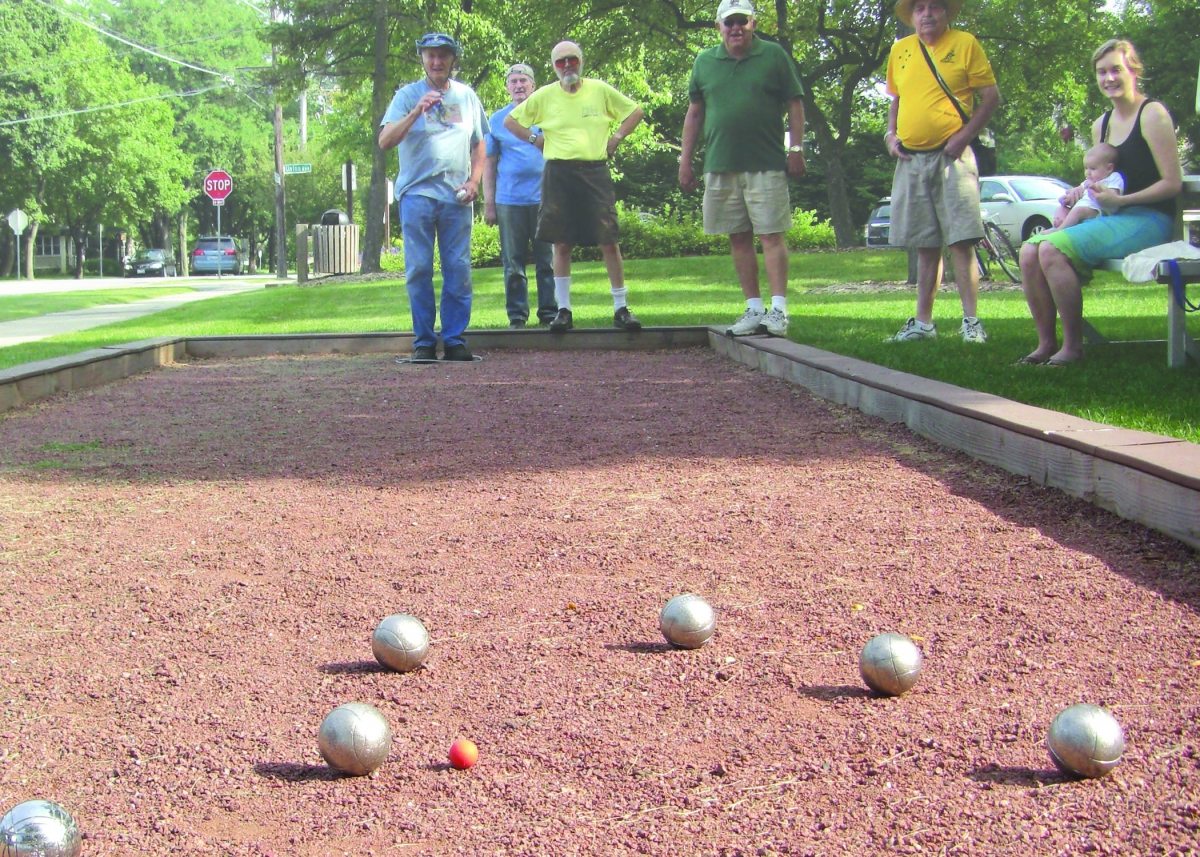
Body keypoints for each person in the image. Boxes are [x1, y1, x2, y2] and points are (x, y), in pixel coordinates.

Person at [1018, 39, 1182, 365]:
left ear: (1133, 70)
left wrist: (1123, 200)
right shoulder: (1101, 125)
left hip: (1150, 220)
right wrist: (1071, 202)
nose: (1109, 78)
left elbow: (1172, 183)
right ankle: (1045, 343)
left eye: (1116, 70)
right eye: (1102, 72)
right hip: (1110, 218)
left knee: (1051, 248)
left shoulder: (1153, 115)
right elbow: (1096, 182)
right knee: (1028, 251)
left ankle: (1073, 347)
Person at [678, 0, 807, 338]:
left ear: (753, 24)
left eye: (742, 21)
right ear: (718, 27)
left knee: (771, 234)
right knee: (737, 236)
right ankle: (753, 307)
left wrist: (796, 147)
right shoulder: (704, 62)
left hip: (765, 163)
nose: (735, 28)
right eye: (728, 22)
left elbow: (795, 103)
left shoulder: (774, 55)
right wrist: (685, 160)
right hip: (720, 164)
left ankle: (778, 309)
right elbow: (694, 113)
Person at [503, 40, 645, 333]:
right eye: (560, 62)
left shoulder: (600, 90)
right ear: (554, 67)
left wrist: (616, 137)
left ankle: (621, 308)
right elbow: (511, 121)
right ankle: (563, 310)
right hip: (558, 173)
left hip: (595, 170)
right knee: (561, 241)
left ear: (581, 61)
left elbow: (635, 112)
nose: (567, 66)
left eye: (572, 60)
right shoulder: (544, 96)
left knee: (608, 239)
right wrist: (535, 139)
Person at [883, 0, 1000, 344]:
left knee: (962, 240)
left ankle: (971, 322)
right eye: (919, 8)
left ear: (947, 13)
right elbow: (896, 99)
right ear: (912, 16)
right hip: (911, 160)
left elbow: (991, 96)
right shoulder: (900, 50)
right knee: (924, 244)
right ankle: (923, 323)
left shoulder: (965, 44)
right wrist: (890, 135)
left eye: (935, 7)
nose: (927, 14)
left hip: (953, 158)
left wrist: (964, 136)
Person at [379, 32, 488, 362]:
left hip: (456, 197)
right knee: (419, 268)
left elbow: (480, 143)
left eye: (443, 55)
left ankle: (454, 339)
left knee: (458, 268)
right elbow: (385, 140)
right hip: (417, 195)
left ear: (453, 59)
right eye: (430, 55)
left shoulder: (467, 96)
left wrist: (475, 181)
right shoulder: (406, 95)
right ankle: (424, 341)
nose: (437, 61)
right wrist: (415, 112)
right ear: (422, 59)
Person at [483, 63, 557, 329]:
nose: (518, 85)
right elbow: (489, 163)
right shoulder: (497, 120)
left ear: (533, 86)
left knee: (546, 261)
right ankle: (517, 316)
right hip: (508, 201)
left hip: (543, 200)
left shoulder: (547, 117)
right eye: (513, 81)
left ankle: (549, 313)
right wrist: (488, 203)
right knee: (513, 263)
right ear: (507, 87)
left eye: (523, 81)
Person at [1049, 142, 1124, 231]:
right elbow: (1079, 194)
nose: (1088, 172)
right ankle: (1059, 223)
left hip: (1097, 210)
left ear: (1109, 168)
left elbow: (1114, 197)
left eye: (1092, 168)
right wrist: (1068, 199)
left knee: (1077, 212)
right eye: (1086, 168)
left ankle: (1059, 230)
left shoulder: (1113, 178)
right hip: (1083, 207)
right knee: (1062, 209)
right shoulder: (1087, 181)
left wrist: (1095, 187)